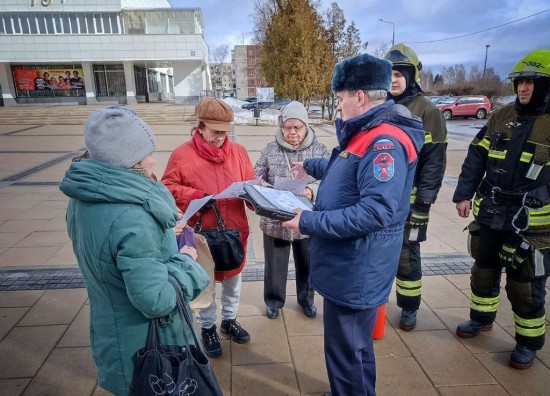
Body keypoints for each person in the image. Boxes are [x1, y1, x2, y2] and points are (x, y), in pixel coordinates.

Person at [282, 53, 425, 395]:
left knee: (347, 350)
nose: (339, 105)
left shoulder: (384, 142)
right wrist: (312, 166)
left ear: (359, 96)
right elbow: (346, 165)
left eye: (341, 97)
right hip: (349, 264)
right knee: (351, 349)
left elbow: (376, 211)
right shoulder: (368, 132)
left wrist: (309, 221)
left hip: (357, 267)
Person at [59, 107, 210, 395]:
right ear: (129, 160)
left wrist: (163, 234)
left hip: (112, 331)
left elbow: (109, 251)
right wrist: (187, 261)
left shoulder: (84, 197)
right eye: (147, 153)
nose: (154, 159)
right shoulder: (133, 216)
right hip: (147, 344)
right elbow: (157, 300)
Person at [453, 48, 550, 370]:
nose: (523, 88)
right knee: (483, 272)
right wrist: (463, 194)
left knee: (524, 285)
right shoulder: (502, 116)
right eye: (520, 81)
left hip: (533, 225)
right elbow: (476, 156)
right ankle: (481, 319)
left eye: (531, 82)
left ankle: (528, 342)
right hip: (491, 214)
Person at [162, 97, 257, 358]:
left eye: (225, 132)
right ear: (200, 126)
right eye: (215, 132)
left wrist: (258, 194)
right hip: (199, 234)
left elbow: (249, 183)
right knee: (204, 284)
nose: (220, 138)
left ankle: (229, 320)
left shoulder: (238, 152)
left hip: (234, 230)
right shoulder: (182, 154)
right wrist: (198, 195)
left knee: (233, 281)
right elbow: (167, 187)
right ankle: (207, 327)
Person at [385, 44, 448, 331]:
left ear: (412, 76)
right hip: (380, 199)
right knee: (378, 251)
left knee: (406, 255)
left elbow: (434, 162)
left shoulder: (427, 110)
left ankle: (409, 308)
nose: (394, 79)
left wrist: (423, 203)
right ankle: (375, 302)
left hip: (410, 203)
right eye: (389, 74)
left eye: (400, 73)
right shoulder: (381, 107)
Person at [254, 100, 329, 320]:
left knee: (307, 263)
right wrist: (267, 189)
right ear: (281, 127)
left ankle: (306, 300)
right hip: (275, 219)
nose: (292, 132)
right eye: (288, 127)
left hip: (307, 220)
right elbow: (256, 175)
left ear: (306, 126)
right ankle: (274, 301)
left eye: (298, 127)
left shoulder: (319, 149)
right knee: (275, 265)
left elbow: (330, 181)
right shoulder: (271, 148)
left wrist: (311, 190)